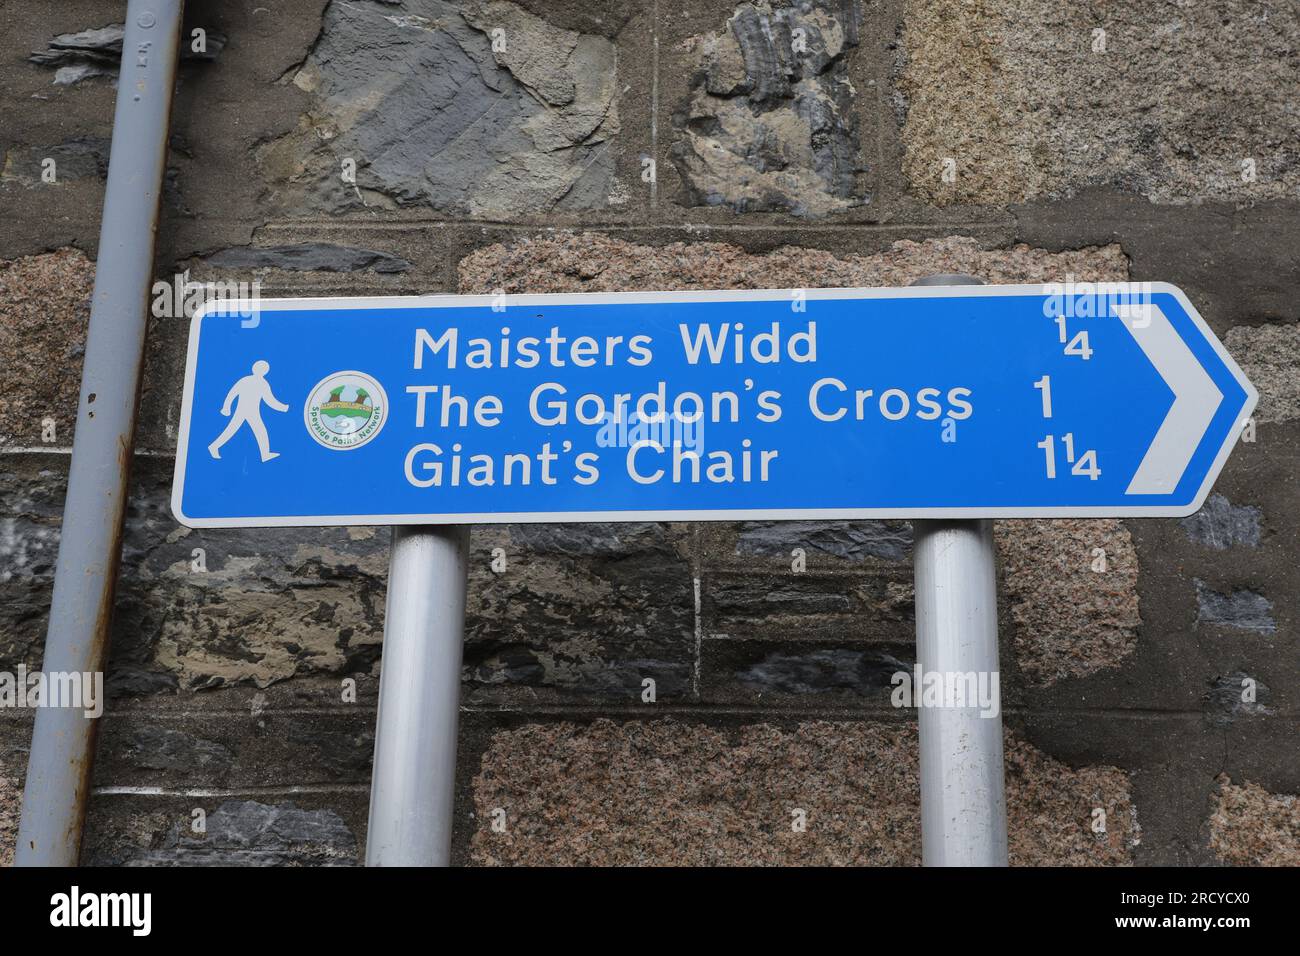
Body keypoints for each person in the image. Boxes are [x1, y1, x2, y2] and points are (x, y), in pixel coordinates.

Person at [208, 360, 289, 462]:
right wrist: (283, 407)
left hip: (251, 412)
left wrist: (227, 406)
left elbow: (269, 399)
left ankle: (265, 454)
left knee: (257, 431)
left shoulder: (251, 381)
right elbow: (269, 400)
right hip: (245, 411)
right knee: (235, 430)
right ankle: (214, 446)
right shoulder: (259, 383)